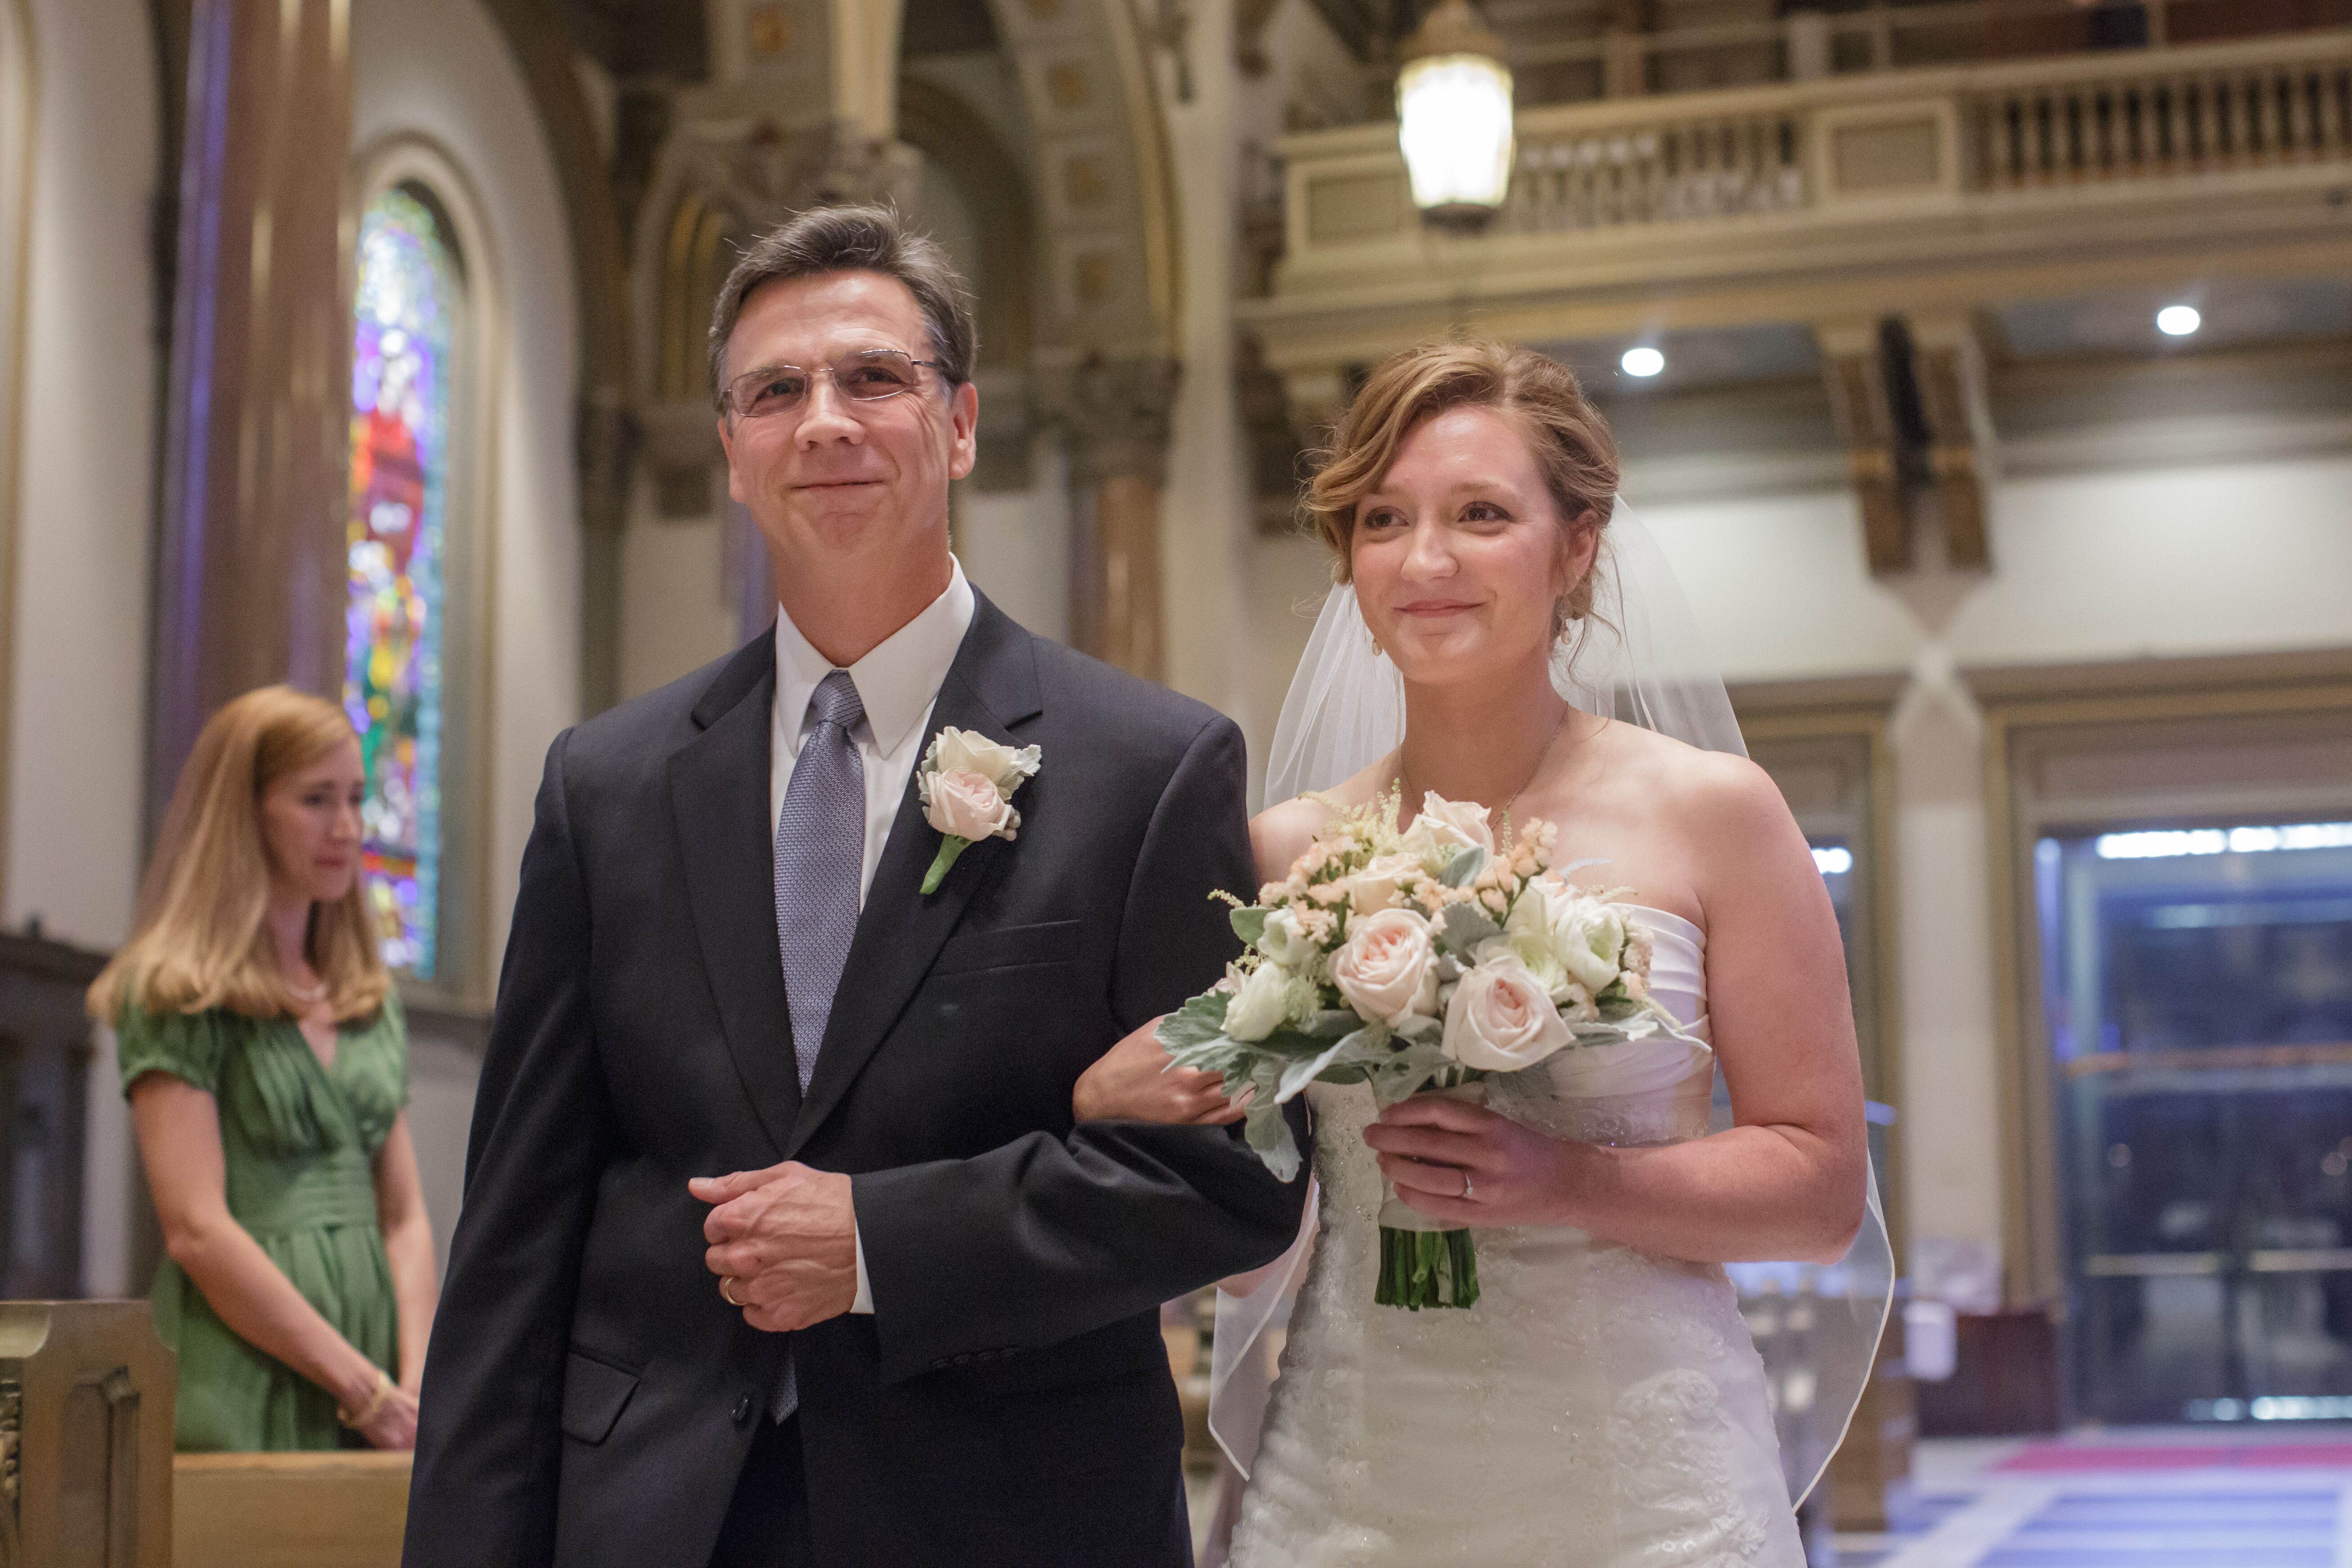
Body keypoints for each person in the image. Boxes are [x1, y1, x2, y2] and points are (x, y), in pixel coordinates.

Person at [400, 204, 1307, 1568]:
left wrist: (882, 1240)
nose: (822, 420)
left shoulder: (1148, 768)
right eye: (775, 391)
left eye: (872, 377)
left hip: (1009, 1509)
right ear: (729, 451)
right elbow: (516, 1239)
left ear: (960, 425)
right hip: (658, 1511)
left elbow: (1226, 1183)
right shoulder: (608, 783)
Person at [1076, 340, 1872, 1565]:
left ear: (1575, 547)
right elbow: (1257, 1244)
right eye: (1383, 519)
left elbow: (1818, 1191)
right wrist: (1144, 1102)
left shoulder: (1714, 813)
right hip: (1350, 1471)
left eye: (1480, 514)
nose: (1425, 559)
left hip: (1637, 1484)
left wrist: (1567, 1180)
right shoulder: (1281, 853)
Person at [87, 685, 435, 1452]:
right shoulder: (178, 991)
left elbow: (405, 1217)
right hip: (243, 1374)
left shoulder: (365, 998)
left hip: (382, 1383)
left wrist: (415, 1375)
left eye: (354, 797)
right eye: (316, 800)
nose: (347, 828)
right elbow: (196, 1229)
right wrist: (360, 1388)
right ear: (244, 813)